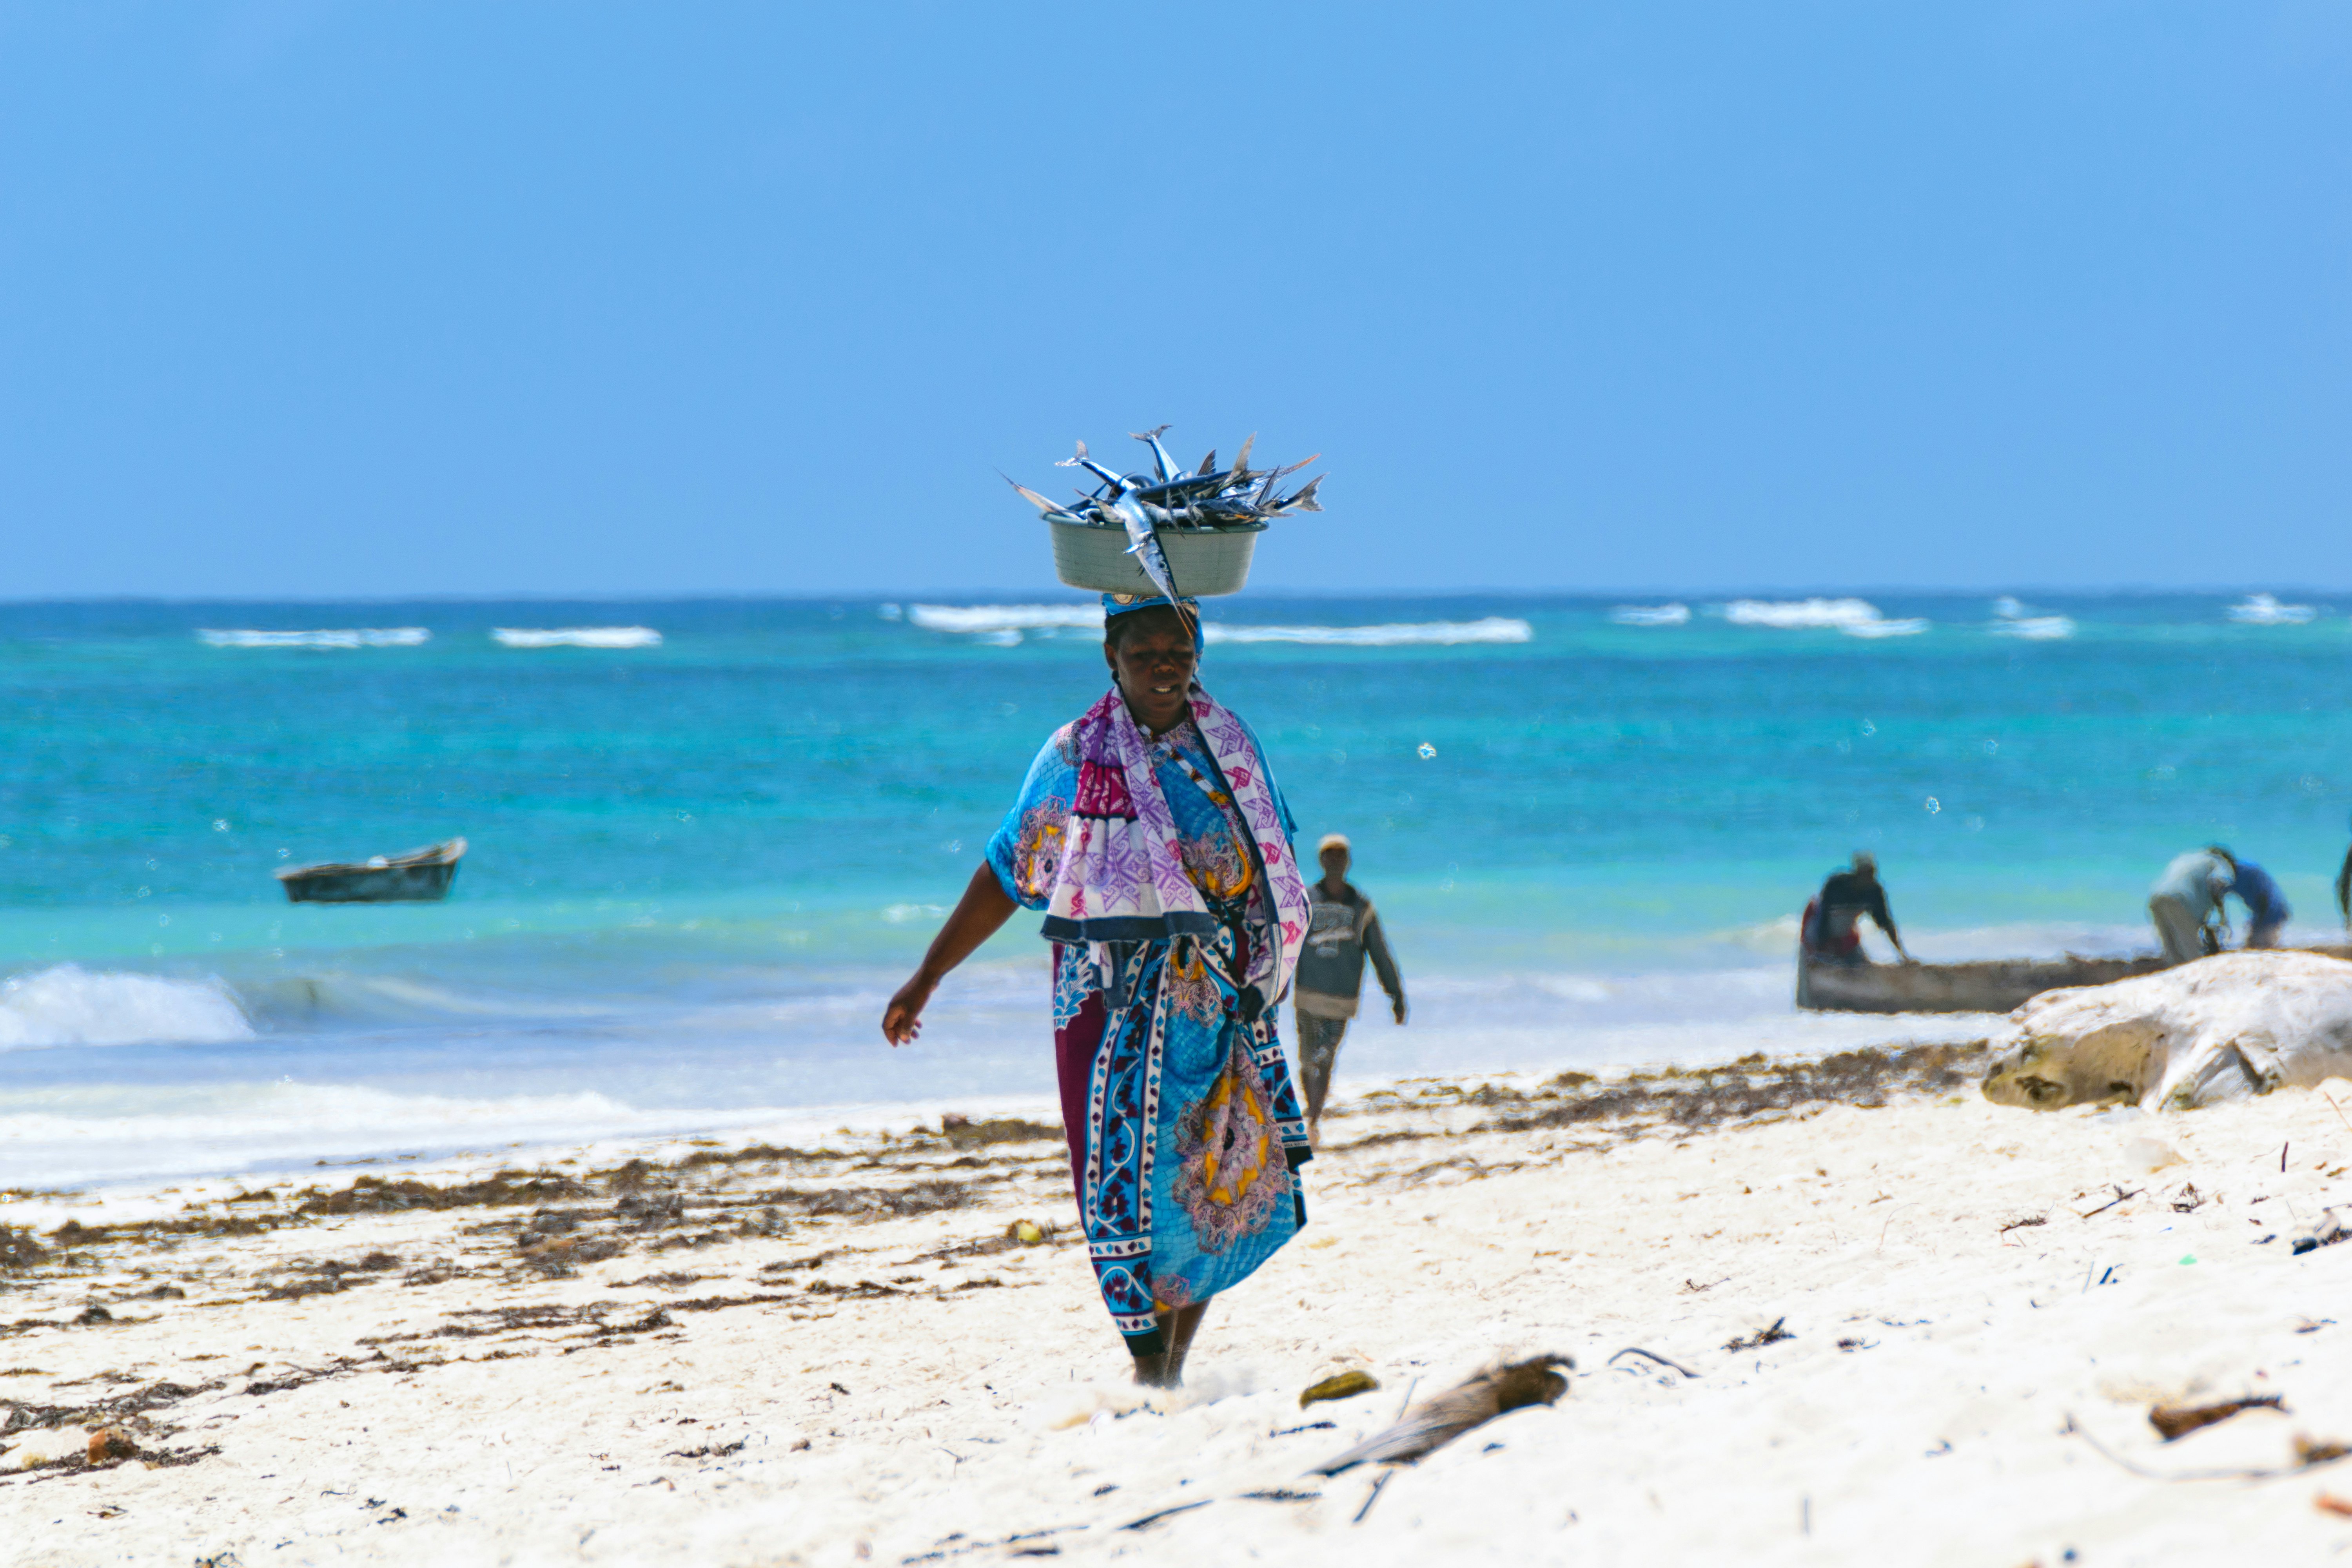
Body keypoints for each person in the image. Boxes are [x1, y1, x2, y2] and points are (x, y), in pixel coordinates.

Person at [880, 592, 1312, 1389]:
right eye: (1144, 651)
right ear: (1109, 658)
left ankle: (1170, 1370)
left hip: (1218, 999)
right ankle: (1149, 1363)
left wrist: (1270, 964)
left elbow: (1278, 857)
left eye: (1178, 651)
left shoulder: (1230, 744)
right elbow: (1011, 867)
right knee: (1119, 1182)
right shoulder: (1076, 753)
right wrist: (929, 974)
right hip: (1110, 1002)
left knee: (1215, 1175)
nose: (1163, 666)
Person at [1291, 834, 1406, 1145]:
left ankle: (1313, 1119)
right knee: (1306, 1060)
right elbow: (1286, 945)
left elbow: (1380, 953)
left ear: (1349, 862)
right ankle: (1311, 1112)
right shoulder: (1305, 900)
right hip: (1307, 995)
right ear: (1321, 861)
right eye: (1329, 856)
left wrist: (1396, 995)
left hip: (1342, 1001)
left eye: (1340, 856)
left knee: (1326, 1058)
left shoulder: (1362, 906)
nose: (1335, 862)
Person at [1800, 852, 1912, 965]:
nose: (1870, 877)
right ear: (1857, 872)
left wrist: (1902, 954)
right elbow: (1823, 919)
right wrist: (1819, 952)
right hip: (1815, 929)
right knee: (1821, 963)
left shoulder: (1874, 892)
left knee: (1864, 968)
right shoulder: (1836, 885)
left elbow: (1885, 923)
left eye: (1872, 873)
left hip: (1845, 935)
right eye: (1866, 873)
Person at [2148, 846, 2235, 964]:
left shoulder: (2185, 858)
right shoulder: (2217, 862)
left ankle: (2177, 980)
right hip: (2181, 899)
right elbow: (2217, 885)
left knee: (2172, 952)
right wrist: (2220, 914)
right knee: (2191, 953)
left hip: (2156, 897)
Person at [2227, 856, 2291, 949]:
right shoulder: (2244, 870)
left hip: (2271, 912)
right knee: (2257, 943)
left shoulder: (2244, 872)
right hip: (2273, 910)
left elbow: (2264, 897)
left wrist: (2258, 923)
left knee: (2261, 945)